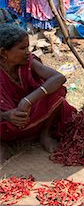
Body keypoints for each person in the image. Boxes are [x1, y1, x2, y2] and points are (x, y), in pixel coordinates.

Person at [0, 24, 76, 159]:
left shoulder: (29, 62)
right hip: (9, 122)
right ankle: (3, 144)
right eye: (22, 48)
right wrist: (6, 115)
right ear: (3, 53)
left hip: (33, 114)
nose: (28, 52)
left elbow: (59, 78)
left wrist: (27, 101)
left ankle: (44, 134)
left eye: (28, 47)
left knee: (56, 91)